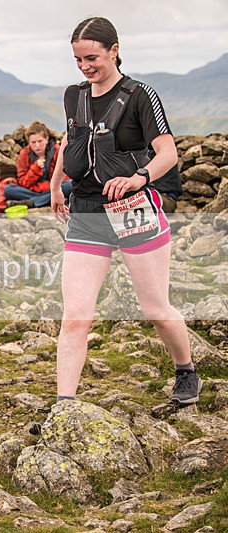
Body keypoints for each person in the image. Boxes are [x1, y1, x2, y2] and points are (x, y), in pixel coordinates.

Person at [49, 17, 202, 406]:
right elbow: (71, 139)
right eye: (78, 59)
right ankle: (64, 407)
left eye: (92, 58)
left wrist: (139, 178)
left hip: (134, 210)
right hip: (86, 212)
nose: (85, 66)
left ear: (114, 50)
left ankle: (186, 371)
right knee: (75, 316)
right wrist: (55, 185)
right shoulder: (74, 95)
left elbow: (168, 152)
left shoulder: (139, 96)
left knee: (154, 307)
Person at [5, 121, 72, 208]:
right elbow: (23, 182)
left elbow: (64, 176)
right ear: (28, 142)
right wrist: (35, 169)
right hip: (34, 190)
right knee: (8, 190)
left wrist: (49, 188)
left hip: (53, 189)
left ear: (47, 139)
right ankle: (44, 199)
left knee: (69, 185)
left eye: (40, 141)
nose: (37, 145)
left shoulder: (57, 151)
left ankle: (32, 202)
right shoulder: (24, 154)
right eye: (33, 142)